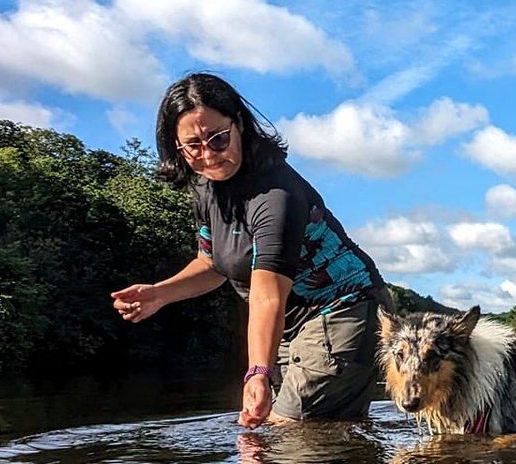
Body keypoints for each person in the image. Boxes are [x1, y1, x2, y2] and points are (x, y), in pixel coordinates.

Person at [112, 73, 392, 427]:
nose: (208, 155)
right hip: (293, 325)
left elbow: (266, 295)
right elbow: (213, 263)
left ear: (239, 125)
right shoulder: (205, 188)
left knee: (285, 428)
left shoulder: (276, 195)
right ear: (175, 146)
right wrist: (160, 293)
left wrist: (257, 371)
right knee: (307, 430)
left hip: (344, 308)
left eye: (218, 139)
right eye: (193, 146)